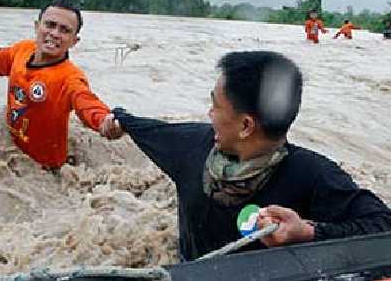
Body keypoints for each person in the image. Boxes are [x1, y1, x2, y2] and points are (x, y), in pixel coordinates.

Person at [101, 51, 391, 261]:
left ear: (245, 126)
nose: (209, 114)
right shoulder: (191, 145)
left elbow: (383, 229)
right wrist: (120, 120)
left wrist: (307, 233)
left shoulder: (313, 176)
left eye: (215, 106)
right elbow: (150, 129)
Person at [0, 0, 122, 169]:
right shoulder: (22, 50)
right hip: (10, 147)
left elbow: (86, 103)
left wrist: (105, 122)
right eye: (50, 25)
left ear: (74, 41)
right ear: (37, 26)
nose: (54, 33)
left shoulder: (70, 78)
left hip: (44, 168)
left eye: (65, 30)